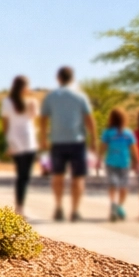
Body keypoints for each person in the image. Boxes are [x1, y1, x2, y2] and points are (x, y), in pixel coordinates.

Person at [39, 66, 96, 221]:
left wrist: (43, 138)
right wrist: (94, 140)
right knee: (78, 178)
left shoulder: (51, 97)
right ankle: (75, 211)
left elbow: (43, 119)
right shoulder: (80, 97)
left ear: (58, 78)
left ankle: (58, 207)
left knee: (57, 176)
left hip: (57, 142)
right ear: (72, 79)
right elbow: (89, 119)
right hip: (77, 142)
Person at [1, 75, 38, 215]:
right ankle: (20, 207)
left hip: (27, 142)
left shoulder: (27, 102)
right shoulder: (9, 102)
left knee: (24, 176)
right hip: (22, 142)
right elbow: (5, 122)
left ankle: (20, 206)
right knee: (23, 176)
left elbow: (6, 123)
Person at [99, 108, 139, 221]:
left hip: (110, 162)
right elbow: (134, 149)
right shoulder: (128, 133)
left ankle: (113, 204)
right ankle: (119, 206)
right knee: (123, 186)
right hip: (124, 163)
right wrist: (137, 162)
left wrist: (98, 159)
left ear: (111, 119)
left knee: (112, 185)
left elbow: (103, 147)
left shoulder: (107, 133)